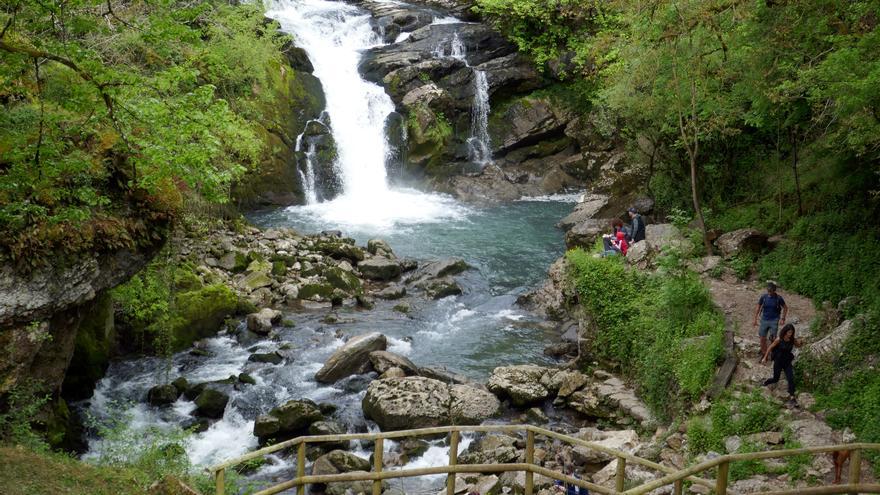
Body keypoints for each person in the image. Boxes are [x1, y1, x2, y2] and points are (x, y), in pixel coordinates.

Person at [761, 323, 801, 404]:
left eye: (792, 332)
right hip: (778, 361)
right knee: (776, 378)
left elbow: (798, 346)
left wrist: (801, 342)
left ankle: (792, 397)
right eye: (789, 332)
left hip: (787, 362)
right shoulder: (779, 339)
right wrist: (765, 357)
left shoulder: (792, 340)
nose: (790, 334)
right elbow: (770, 347)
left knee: (790, 379)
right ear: (785, 331)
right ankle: (766, 382)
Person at [753, 282, 788, 357]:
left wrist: (783, 318)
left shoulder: (779, 298)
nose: (769, 292)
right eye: (768, 291)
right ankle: (764, 353)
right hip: (764, 319)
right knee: (762, 338)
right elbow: (758, 307)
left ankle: (773, 353)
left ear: (774, 290)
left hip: (774, 320)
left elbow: (785, 308)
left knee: (773, 338)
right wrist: (755, 318)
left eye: (770, 291)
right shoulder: (764, 297)